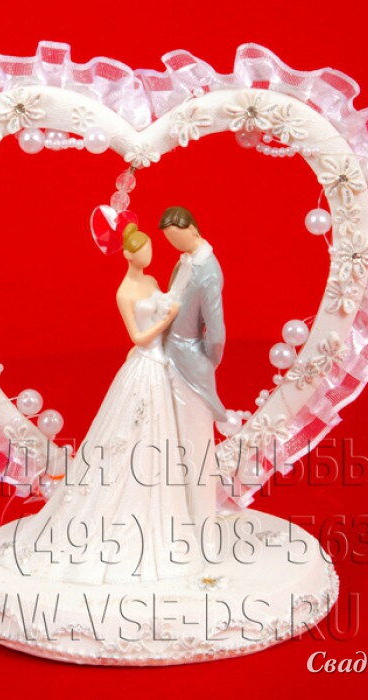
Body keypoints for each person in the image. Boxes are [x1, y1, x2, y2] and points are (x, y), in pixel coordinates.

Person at [0, 223, 202, 584]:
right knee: (127, 439)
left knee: (158, 441)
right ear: (129, 255)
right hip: (146, 365)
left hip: (161, 367)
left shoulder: (152, 282)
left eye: (150, 248)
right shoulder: (125, 292)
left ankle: (158, 511)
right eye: (143, 250)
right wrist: (168, 318)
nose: (149, 254)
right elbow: (138, 337)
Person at [159, 206, 227, 535]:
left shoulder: (208, 271)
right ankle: (177, 511)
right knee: (172, 435)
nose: (175, 246)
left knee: (195, 440)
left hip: (190, 360)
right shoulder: (184, 262)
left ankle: (201, 519)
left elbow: (216, 331)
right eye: (170, 241)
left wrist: (207, 360)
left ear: (194, 230)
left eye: (178, 238)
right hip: (168, 353)